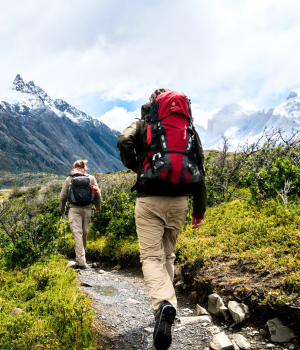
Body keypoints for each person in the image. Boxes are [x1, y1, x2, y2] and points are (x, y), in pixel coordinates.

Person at [117, 88, 207, 350]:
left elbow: (123, 141)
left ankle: (163, 305)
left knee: (151, 257)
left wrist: (137, 166)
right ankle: (169, 306)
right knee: (168, 255)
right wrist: (199, 210)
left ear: (154, 104)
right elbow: (200, 167)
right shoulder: (188, 129)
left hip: (150, 199)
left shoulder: (144, 124)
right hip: (180, 202)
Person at [59, 160, 101, 270]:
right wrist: (98, 207)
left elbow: (62, 196)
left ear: (74, 167)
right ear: (84, 168)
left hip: (74, 209)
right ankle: (82, 259)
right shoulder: (91, 178)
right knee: (84, 233)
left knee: (77, 233)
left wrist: (63, 209)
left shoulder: (69, 179)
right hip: (87, 209)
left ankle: (81, 262)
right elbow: (98, 193)